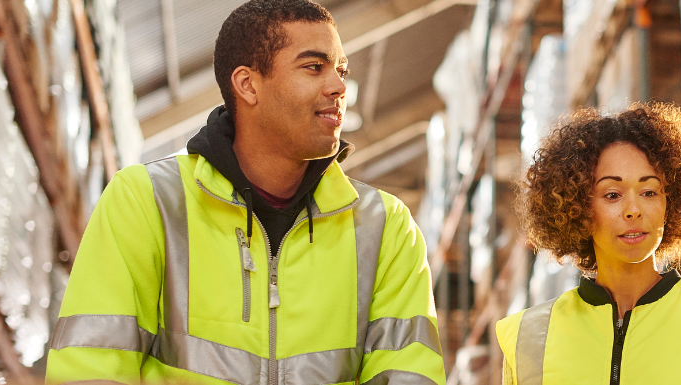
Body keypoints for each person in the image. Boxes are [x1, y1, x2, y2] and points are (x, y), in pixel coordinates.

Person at [45, 0, 444, 383]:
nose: (339, 85)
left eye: (341, 69)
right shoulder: (147, 201)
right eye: (314, 67)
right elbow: (91, 367)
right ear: (248, 85)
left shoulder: (385, 227)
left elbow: (411, 376)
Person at [497, 102, 681, 385]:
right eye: (612, 195)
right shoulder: (527, 336)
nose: (633, 210)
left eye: (649, 192)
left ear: (672, 203)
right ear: (578, 206)